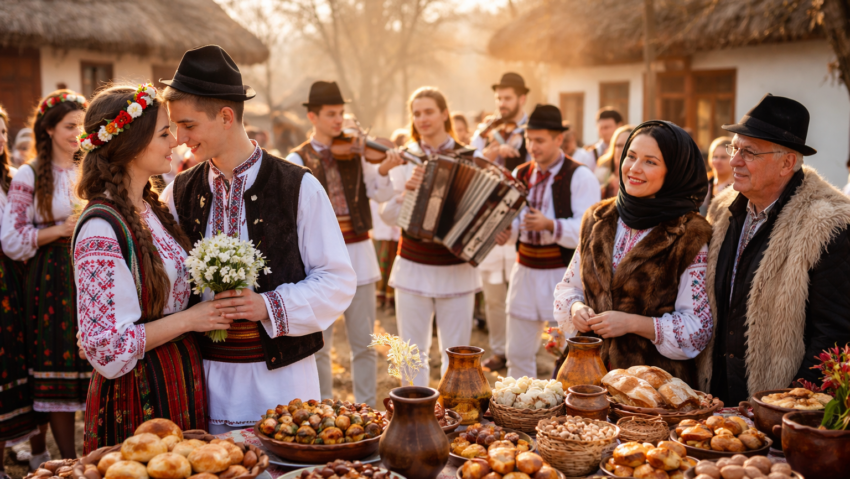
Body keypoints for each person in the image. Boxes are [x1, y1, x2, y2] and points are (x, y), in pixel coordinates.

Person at [159, 45, 356, 434]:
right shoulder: (178, 192)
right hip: (206, 376)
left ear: (226, 116)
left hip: (282, 380)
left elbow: (337, 280)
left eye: (189, 125)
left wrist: (266, 305)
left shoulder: (298, 186)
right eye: (175, 127)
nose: (180, 138)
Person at [72, 84, 220, 451]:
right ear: (131, 144)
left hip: (176, 376)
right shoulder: (100, 228)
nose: (175, 143)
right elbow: (107, 348)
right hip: (137, 394)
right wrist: (191, 319)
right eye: (164, 133)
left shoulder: (152, 211)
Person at [699, 94, 850, 405]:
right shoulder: (723, 209)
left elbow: (833, 336)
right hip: (718, 401)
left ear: (787, 163)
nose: (734, 161)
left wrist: (786, 407)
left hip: (779, 411)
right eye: (734, 148)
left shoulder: (829, 223)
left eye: (749, 152)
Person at [553, 120, 713, 387]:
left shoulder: (688, 234)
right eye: (631, 156)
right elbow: (569, 287)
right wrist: (576, 307)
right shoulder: (599, 218)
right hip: (585, 374)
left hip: (651, 389)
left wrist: (632, 323)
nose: (634, 169)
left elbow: (696, 328)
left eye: (651, 162)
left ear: (673, 172)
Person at [286, 81, 400, 407]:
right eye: (331, 114)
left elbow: (381, 194)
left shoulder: (357, 152)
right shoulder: (296, 158)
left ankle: (364, 407)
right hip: (317, 259)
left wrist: (384, 169)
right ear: (313, 116)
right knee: (320, 343)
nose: (339, 120)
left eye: (341, 113)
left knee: (363, 342)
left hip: (359, 254)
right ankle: (322, 406)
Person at [1, 90, 90, 459]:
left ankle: (98, 454)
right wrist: (58, 230)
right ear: (50, 129)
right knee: (57, 370)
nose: (78, 134)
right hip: (51, 278)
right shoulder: (29, 173)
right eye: (70, 126)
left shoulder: (93, 166)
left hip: (88, 267)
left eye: (83, 126)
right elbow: (11, 237)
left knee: (95, 363)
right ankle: (65, 460)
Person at [379, 87, 481, 386]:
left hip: (456, 267)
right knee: (411, 354)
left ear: (444, 113)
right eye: (417, 113)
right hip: (413, 264)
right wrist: (406, 194)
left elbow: (482, 210)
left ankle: (457, 420)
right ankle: (414, 418)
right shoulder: (405, 158)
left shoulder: (470, 158)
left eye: (429, 112)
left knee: (458, 355)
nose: (422, 118)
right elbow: (386, 216)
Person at [493, 105, 600, 379]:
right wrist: (507, 233)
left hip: (561, 274)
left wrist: (550, 225)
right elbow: (515, 223)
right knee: (517, 352)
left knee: (566, 354)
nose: (532, 146)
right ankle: (519, 410)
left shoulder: (580, 176)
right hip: (524, 270)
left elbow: (592, 230)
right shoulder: (520, 173)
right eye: (529, 139)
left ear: (558, 139)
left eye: (539, 140)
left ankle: (562, 412)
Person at [0, 106, 50, 478]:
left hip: (18, 278)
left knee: (22, 361)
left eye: (2, 131)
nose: (0, 138)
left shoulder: (15, 178)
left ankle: (27, 452)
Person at [470, 73, 530, 370]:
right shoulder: (484, 132)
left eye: (507, 98)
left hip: (522, 220)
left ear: (522, 99)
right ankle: (499, 350)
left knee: (520, 292)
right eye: (499, 98)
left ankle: (523, 350)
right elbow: (469, 164)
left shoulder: (533, 130)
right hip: (490, 220)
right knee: (492, 292)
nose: (502, 104)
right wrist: (491, 152)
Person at [595, 125, 634, 199]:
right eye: (619, 145)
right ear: (613, 147)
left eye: (628, 145)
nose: (623, 149)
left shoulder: (639, 174)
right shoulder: (602, 170)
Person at [700, 136, 733, 214]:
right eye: (715, 157)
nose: (718, 161)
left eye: (723, 157)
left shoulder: (738, 188)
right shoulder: (703, 183)